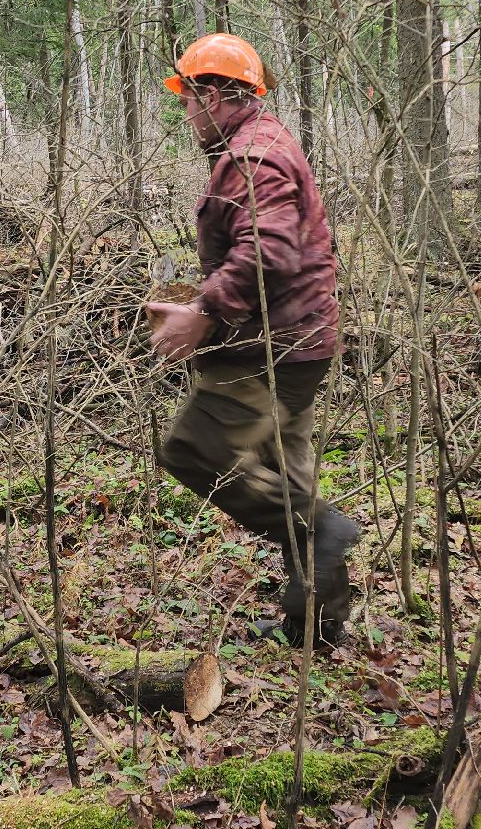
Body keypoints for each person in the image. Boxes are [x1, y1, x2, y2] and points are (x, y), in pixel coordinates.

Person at [144, 33, 360, 646]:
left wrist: (204, 313)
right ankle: (314, 627)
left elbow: (270, 249)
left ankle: (325, 532)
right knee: (288, 474)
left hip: (274, 349)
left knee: (192, 450)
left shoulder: (253, 158)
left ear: (214, 94)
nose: (186, 112)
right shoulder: (256, 146)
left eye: (188, 98)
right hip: (295, 342)